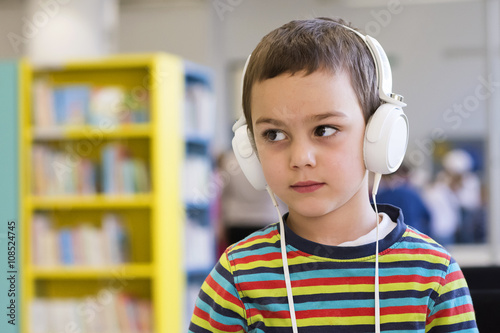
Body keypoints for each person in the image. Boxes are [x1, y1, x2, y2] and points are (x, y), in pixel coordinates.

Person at [189, 17, 477, 332]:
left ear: (379, 136)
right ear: (250, 147)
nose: (300, 158)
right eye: (273, 134)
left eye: (324, 129)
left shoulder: (433, 274)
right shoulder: (237, 278)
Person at [376, 163, 431, 235]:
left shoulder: (383, 195)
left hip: (391, 236)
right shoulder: (413, 193)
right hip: (413, 234)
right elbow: (427, 216)